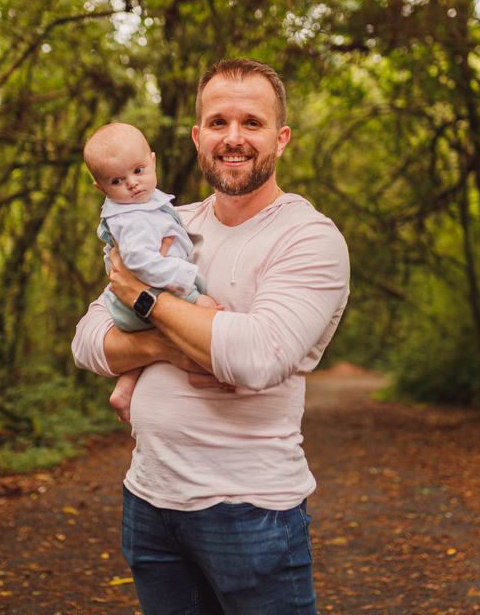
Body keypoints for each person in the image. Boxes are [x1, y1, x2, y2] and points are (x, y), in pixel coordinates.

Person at [73, 58, 350, 614]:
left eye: (253, 122)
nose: (234, 137)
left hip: (250, 513)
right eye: (219, 122)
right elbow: (87, 339)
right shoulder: (168, 222)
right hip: (149, 501)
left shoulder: (308, 238)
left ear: (281, 138)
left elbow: (255, 358)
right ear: (199, 138)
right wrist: (172, 345)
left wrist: (145, 300)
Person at [82, 122, 221, 422]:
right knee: (198, 313)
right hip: (142, 297)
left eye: (138, 170)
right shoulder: (131, 219)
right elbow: (143, 266)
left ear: (153, 161)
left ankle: (125, 387)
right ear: (101, 188)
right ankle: (207, 375)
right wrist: (192, 294)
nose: (132, 183)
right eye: (117, 180)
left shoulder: (145, 204)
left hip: (137, 297)